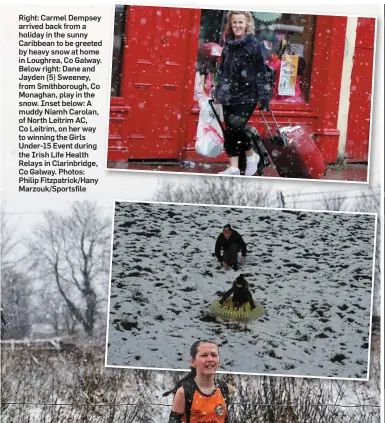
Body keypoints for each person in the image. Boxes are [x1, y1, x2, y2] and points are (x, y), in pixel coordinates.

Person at [214, 10, 273, 176]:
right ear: (230, 25)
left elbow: (261, 72)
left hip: (247, 95)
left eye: (240, 22)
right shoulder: (228, 45)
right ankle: (233, 167)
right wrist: (218, 90)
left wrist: (264, 97)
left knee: (236, 126)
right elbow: (222, 71)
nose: (237, 25)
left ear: (247, 24)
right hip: (228, 95)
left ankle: (251, 155)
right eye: (234, 22)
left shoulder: (254, 45)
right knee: (230, 130)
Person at [165, 340, 235, 423]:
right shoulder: (184, 392)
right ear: (193, 362)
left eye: (214, 355)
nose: (210, 359)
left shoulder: (224, 388)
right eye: (204, 355)